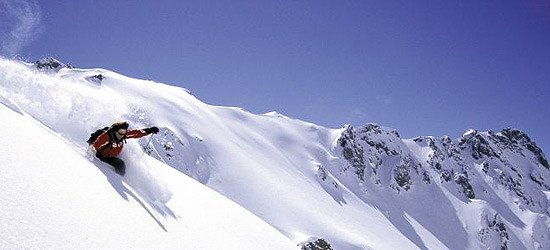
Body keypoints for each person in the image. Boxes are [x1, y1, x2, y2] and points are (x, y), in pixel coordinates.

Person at [90, 121, 159, 175]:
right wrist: (94, 154)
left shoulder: (122, 135)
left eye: (124, 132)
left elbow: (136, 133)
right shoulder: (106, 137)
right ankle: (118, 178)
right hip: (102, 156)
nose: (123, 134)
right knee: (120, 164)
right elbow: (94, 145)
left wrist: (150, 130)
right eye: (121, 132)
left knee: (126, 164)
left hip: (112, 155)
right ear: (115, 131)